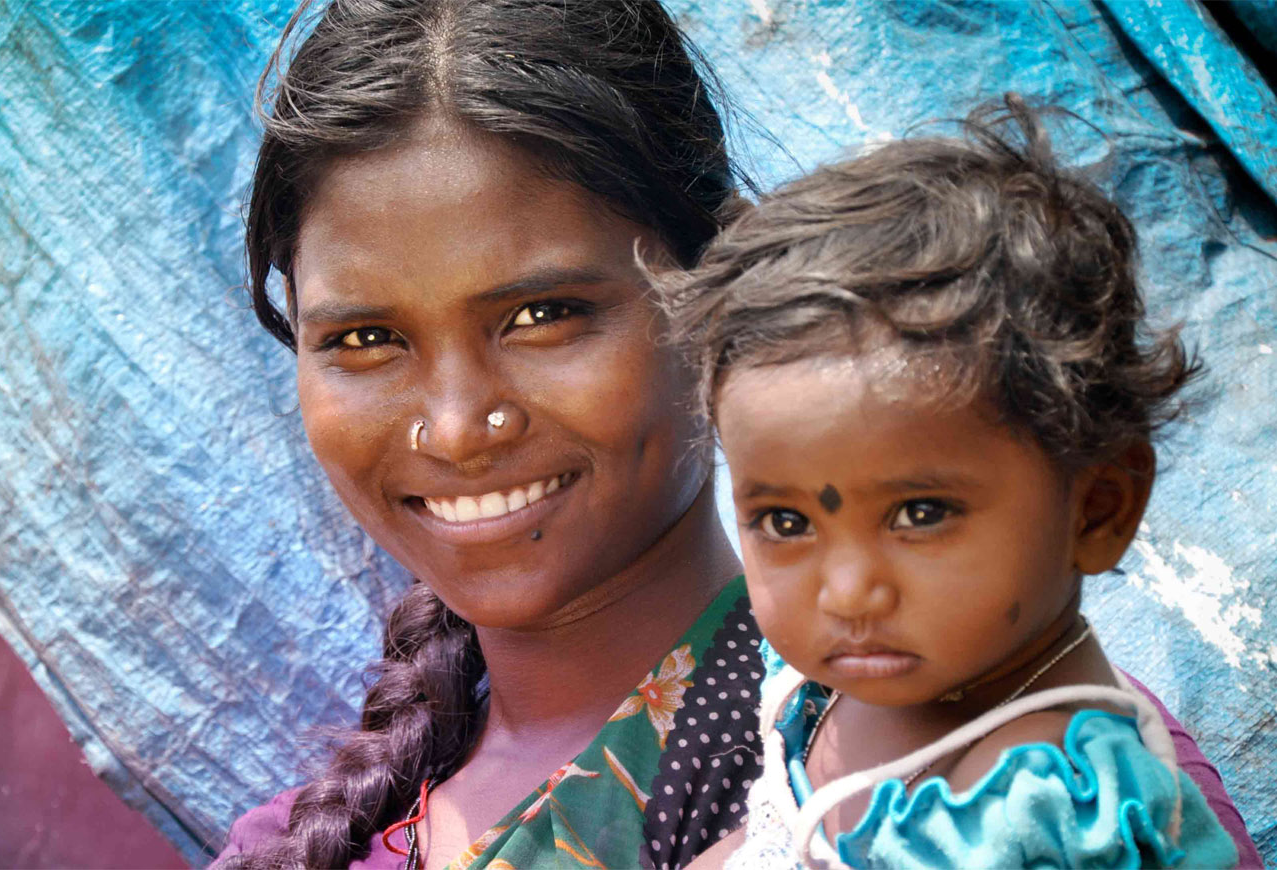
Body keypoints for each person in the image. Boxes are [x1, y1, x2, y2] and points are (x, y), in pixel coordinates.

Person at [211, 0, 1258, 864]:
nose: (456, 424)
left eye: (543, 315)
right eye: (363, 337)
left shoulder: (1016, 778)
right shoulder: (299, 848)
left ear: (711, 292)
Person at [664, 97, 1243, 869]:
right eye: (786, 522)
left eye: (920, 513)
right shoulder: (841, 677)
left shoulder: (1045, 824)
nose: (846, 590)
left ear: (1099, 510)